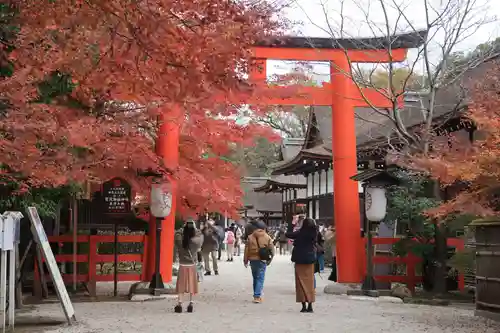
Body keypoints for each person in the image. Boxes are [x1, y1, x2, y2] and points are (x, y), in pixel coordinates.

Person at [286, 217, 317, 313]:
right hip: (309, 260)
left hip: (299, 260)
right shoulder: (314, 233)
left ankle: (303, 306)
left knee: (300, 283)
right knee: (310, 283)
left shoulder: (299, 233)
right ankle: (310, 305)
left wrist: (292, 224)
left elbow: (288, 234)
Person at [174, 219, 204, 313]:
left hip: (183, 264)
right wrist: (195, 228)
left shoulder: (180, 239)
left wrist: (182, 228)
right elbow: (200, 234)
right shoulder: (196, 241)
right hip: (192, 264)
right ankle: (190, 303)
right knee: (192, 284)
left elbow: (177, 234)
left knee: (181, 284)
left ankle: (179, 303)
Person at [243, 221, 274, 303]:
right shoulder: (267, 237)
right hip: (262, 259)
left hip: (252, 260)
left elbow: (246, 250)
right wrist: (269, 260)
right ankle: (257, 296)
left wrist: (245, 260)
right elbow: (272, 250)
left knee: (255, 277)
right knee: (260, 277)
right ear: (264, 228)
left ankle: (256, 295)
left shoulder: (250, 237)